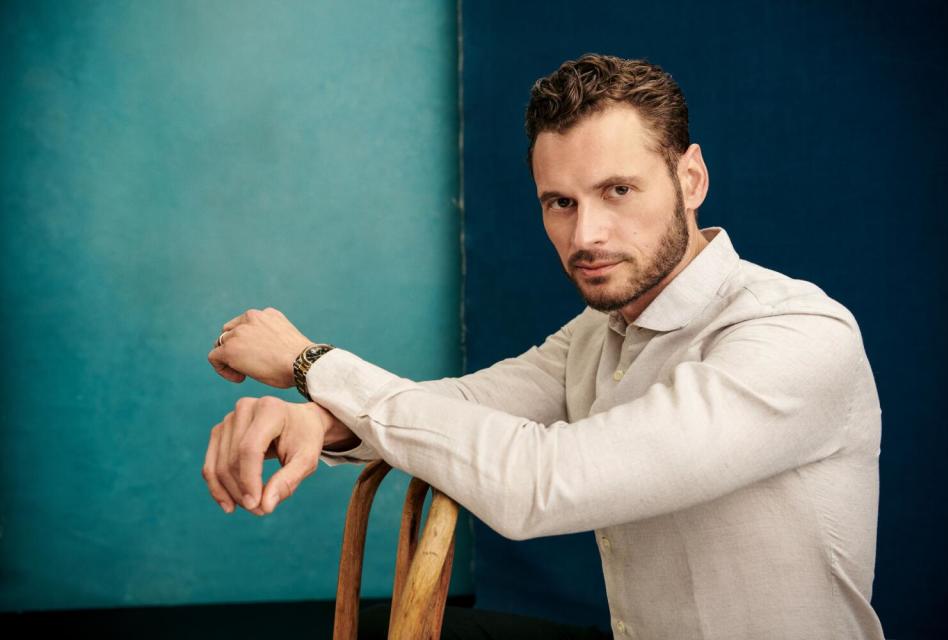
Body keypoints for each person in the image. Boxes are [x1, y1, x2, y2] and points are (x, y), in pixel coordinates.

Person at [202, 54, 885, 639]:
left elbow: (541, 484)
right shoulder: (601, 331)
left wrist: (311, 363)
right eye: (560, 202)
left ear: (691, 179)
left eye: (618, 190)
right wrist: (313, 414)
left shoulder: (795, 336)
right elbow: (466, 404)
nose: (586, 235)